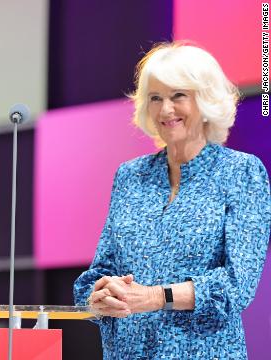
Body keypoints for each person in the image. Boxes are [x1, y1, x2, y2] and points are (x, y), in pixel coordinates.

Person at [73, 42, 271, 359]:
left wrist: (154, 297)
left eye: (178, 95)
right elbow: (98, 272)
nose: (166, 110)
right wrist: (98, 295)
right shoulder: (130, 176)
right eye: (155, 98)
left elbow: (237, 285)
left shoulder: (241, 172)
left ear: (206, 100)